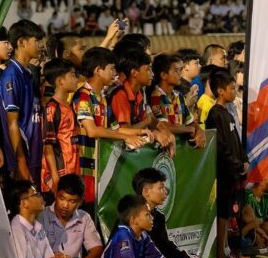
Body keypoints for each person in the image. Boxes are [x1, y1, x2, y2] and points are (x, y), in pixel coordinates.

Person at [73, 47, 150, 206]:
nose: (114, 73)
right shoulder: (83, 96)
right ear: (98, 70)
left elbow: (115, 129)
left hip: (99, 165)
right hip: (84, 167)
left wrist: (142, 131)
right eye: (111, 69)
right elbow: (92, 131)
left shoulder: (101, 97)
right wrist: (126, 137)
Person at [204, 68, 247, 258]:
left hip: (234, 171)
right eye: (232, 88)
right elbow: (220, 145)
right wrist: (236, 164)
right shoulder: (215, 114)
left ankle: (231, 250)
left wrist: (244, 160)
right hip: (223, 171)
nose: (234, 91)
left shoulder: (228, 113)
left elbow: (236, 140)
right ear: (221, 91)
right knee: (223, 212)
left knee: (232, 212)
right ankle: (221, 253)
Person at [133, 167, 207, 258]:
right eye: (160, 188)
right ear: (146, 192)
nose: (165, 192)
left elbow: (165, 247)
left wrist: (185, 257)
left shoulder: (159, 217)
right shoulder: (131, 219)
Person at [0, 20, 45, 182]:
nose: (41, 45)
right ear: (22, 42)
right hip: (23, 159)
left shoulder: (27, 73)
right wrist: (21, 162)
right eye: (37, 40)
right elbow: (12, 123)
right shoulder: (12, 75)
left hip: (34, 154)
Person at [41, 174, 103, 258]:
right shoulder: (42, 216)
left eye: (72, 201)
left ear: (80, 201)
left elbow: (97, 249)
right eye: (62, 198)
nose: (65, 205)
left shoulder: (84, 217)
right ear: (56, 194)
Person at [98, 194, 173, 258]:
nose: (152, 218)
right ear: (134, 220)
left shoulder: (144, 236)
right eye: (147, 214)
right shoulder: (123, 235)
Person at [8, 181, 72, 258]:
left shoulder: (38, 227)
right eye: (36, 194)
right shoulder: (17, 227)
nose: (41, 197)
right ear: (24, 203)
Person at [150, 53, 206, 148]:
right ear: (163, 75)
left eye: (180, 70)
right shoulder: (156, 97)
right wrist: (188, 129)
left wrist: (200, 131)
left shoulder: (179, 95)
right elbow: (164, 126)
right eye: (176, 71)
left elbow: (191, 121)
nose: (180, 74)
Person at [41, 59, 80, 194]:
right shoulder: (52, 108)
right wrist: (55, 176)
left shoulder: (69, 106)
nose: (77, 79)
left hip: (72, 171)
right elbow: (48, 145)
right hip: (60, 173)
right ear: (60, 81)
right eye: (73, 75)